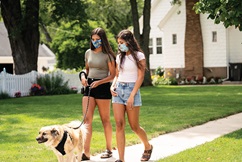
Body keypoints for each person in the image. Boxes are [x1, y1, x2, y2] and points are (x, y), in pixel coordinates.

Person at [110, 29, 153, 162]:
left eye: (122, 42)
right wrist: (113, 85)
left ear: (129, 42)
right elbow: (117, 75)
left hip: (131, 90)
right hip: (118, 90)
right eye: (118, 43)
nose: (120, 45)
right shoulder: (119, 56)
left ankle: (147, 146)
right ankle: (121, 159)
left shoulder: (139, 56)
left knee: (134, 126)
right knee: (118, 124)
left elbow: (140, 77)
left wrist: (132, 95)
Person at [80, 27, 116, 161]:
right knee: (87, 120)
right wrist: (83, 77)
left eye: (98, 39)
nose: (95, 42)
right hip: (89, 87)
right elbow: (87, 69)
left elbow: (113, 75)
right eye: (93, 39)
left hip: (103, 88)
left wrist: (100, 82)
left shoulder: (109, 55)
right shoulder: (88, 53)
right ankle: (86, 152)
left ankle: (109, 149)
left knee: (105, 120)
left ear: (103, 40)